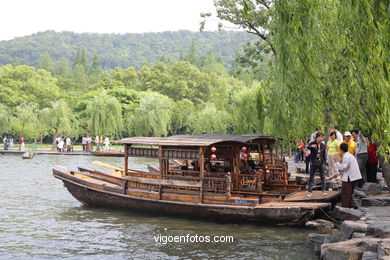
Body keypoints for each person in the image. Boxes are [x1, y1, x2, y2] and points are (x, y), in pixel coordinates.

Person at [334, 143, 362, 208]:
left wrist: (336, 162)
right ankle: (352, 205)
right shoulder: (350, 155)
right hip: (354, 176)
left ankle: (345, 207)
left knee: (345, 192)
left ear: (341, 150)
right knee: (349, 192)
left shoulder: (346, 157)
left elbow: (344, 167)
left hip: (350, 177)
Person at [307, 132, 327, 197]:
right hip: (313, 162)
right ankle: (310, 191)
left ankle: (324, 190)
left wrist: (324, 163)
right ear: (317, 138)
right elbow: (308, 147)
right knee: (311, 177)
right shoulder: (312, 143)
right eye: (321, 137)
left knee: (323, 177)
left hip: (321, 163)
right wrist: (312, 146)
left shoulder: (322, 145)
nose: (322, 139)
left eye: (322, 137)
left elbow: (324, 155)